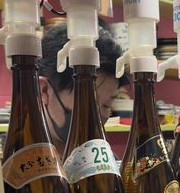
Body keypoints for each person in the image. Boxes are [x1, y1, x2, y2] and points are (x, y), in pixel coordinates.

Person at [38, 23, 129, 158]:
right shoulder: (9, 161)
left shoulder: (106, 162)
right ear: (44, 90)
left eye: (106, 105)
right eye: (87, 102)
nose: (96, 118)